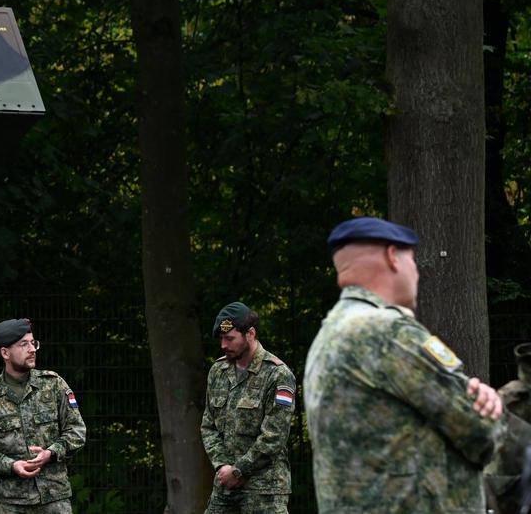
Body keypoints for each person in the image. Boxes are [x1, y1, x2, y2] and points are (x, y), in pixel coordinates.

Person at [304, 216, 504, 514]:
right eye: (413, 260)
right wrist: (490, 407)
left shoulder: (328, 335)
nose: (417, 272)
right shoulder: (387, 331)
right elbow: (480, 433)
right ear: (392, 256)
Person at [0, 318, 86, 514]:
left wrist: (51, 453)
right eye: (24, 344)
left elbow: (77, 430)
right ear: (5, 352)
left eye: (33, 343)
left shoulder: (53, 384)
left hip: (54, 499)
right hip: (12, 503)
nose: (32, 349)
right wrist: (12, 465)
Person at [199, 301, 295, 513]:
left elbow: (274, 436)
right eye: (221, 339)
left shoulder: (278, 374)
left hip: (264, 489)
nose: (223, 344)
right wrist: (223, 466)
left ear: (250, 334)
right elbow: (208, 426)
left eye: (230, 338)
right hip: (225, 486)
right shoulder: (218, 371)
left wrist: (239, 471)